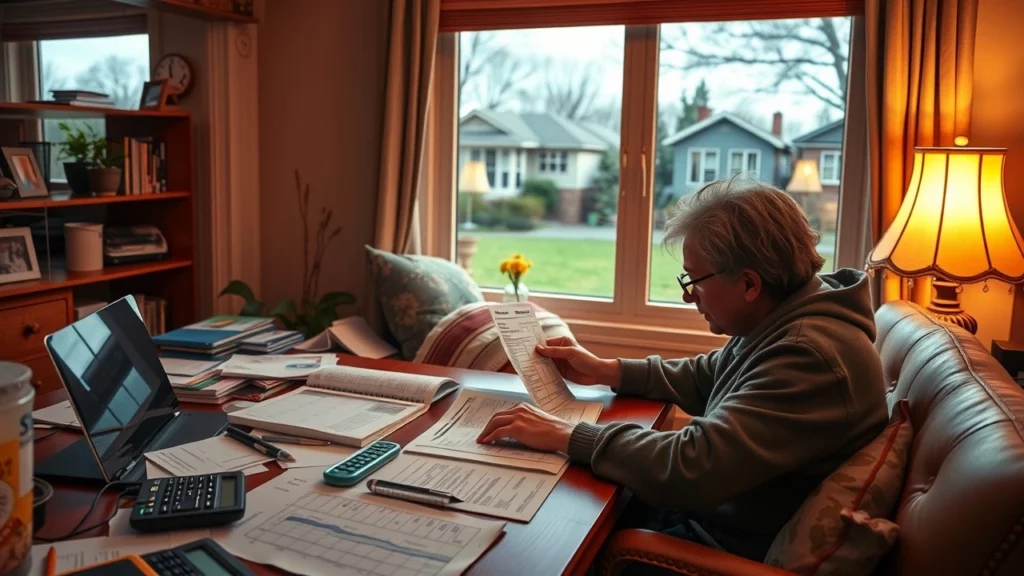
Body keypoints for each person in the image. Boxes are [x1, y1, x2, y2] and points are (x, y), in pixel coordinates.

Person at [477, 177, 889, 562]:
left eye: (695, 279)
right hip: (716, 518)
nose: (689, 296)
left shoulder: (809, 356)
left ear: (749, 284)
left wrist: (568, 434)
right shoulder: (790, 316)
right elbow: (712, 374)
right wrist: (609, 369)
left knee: (536, 544)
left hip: (719, 547)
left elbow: (692, 465)